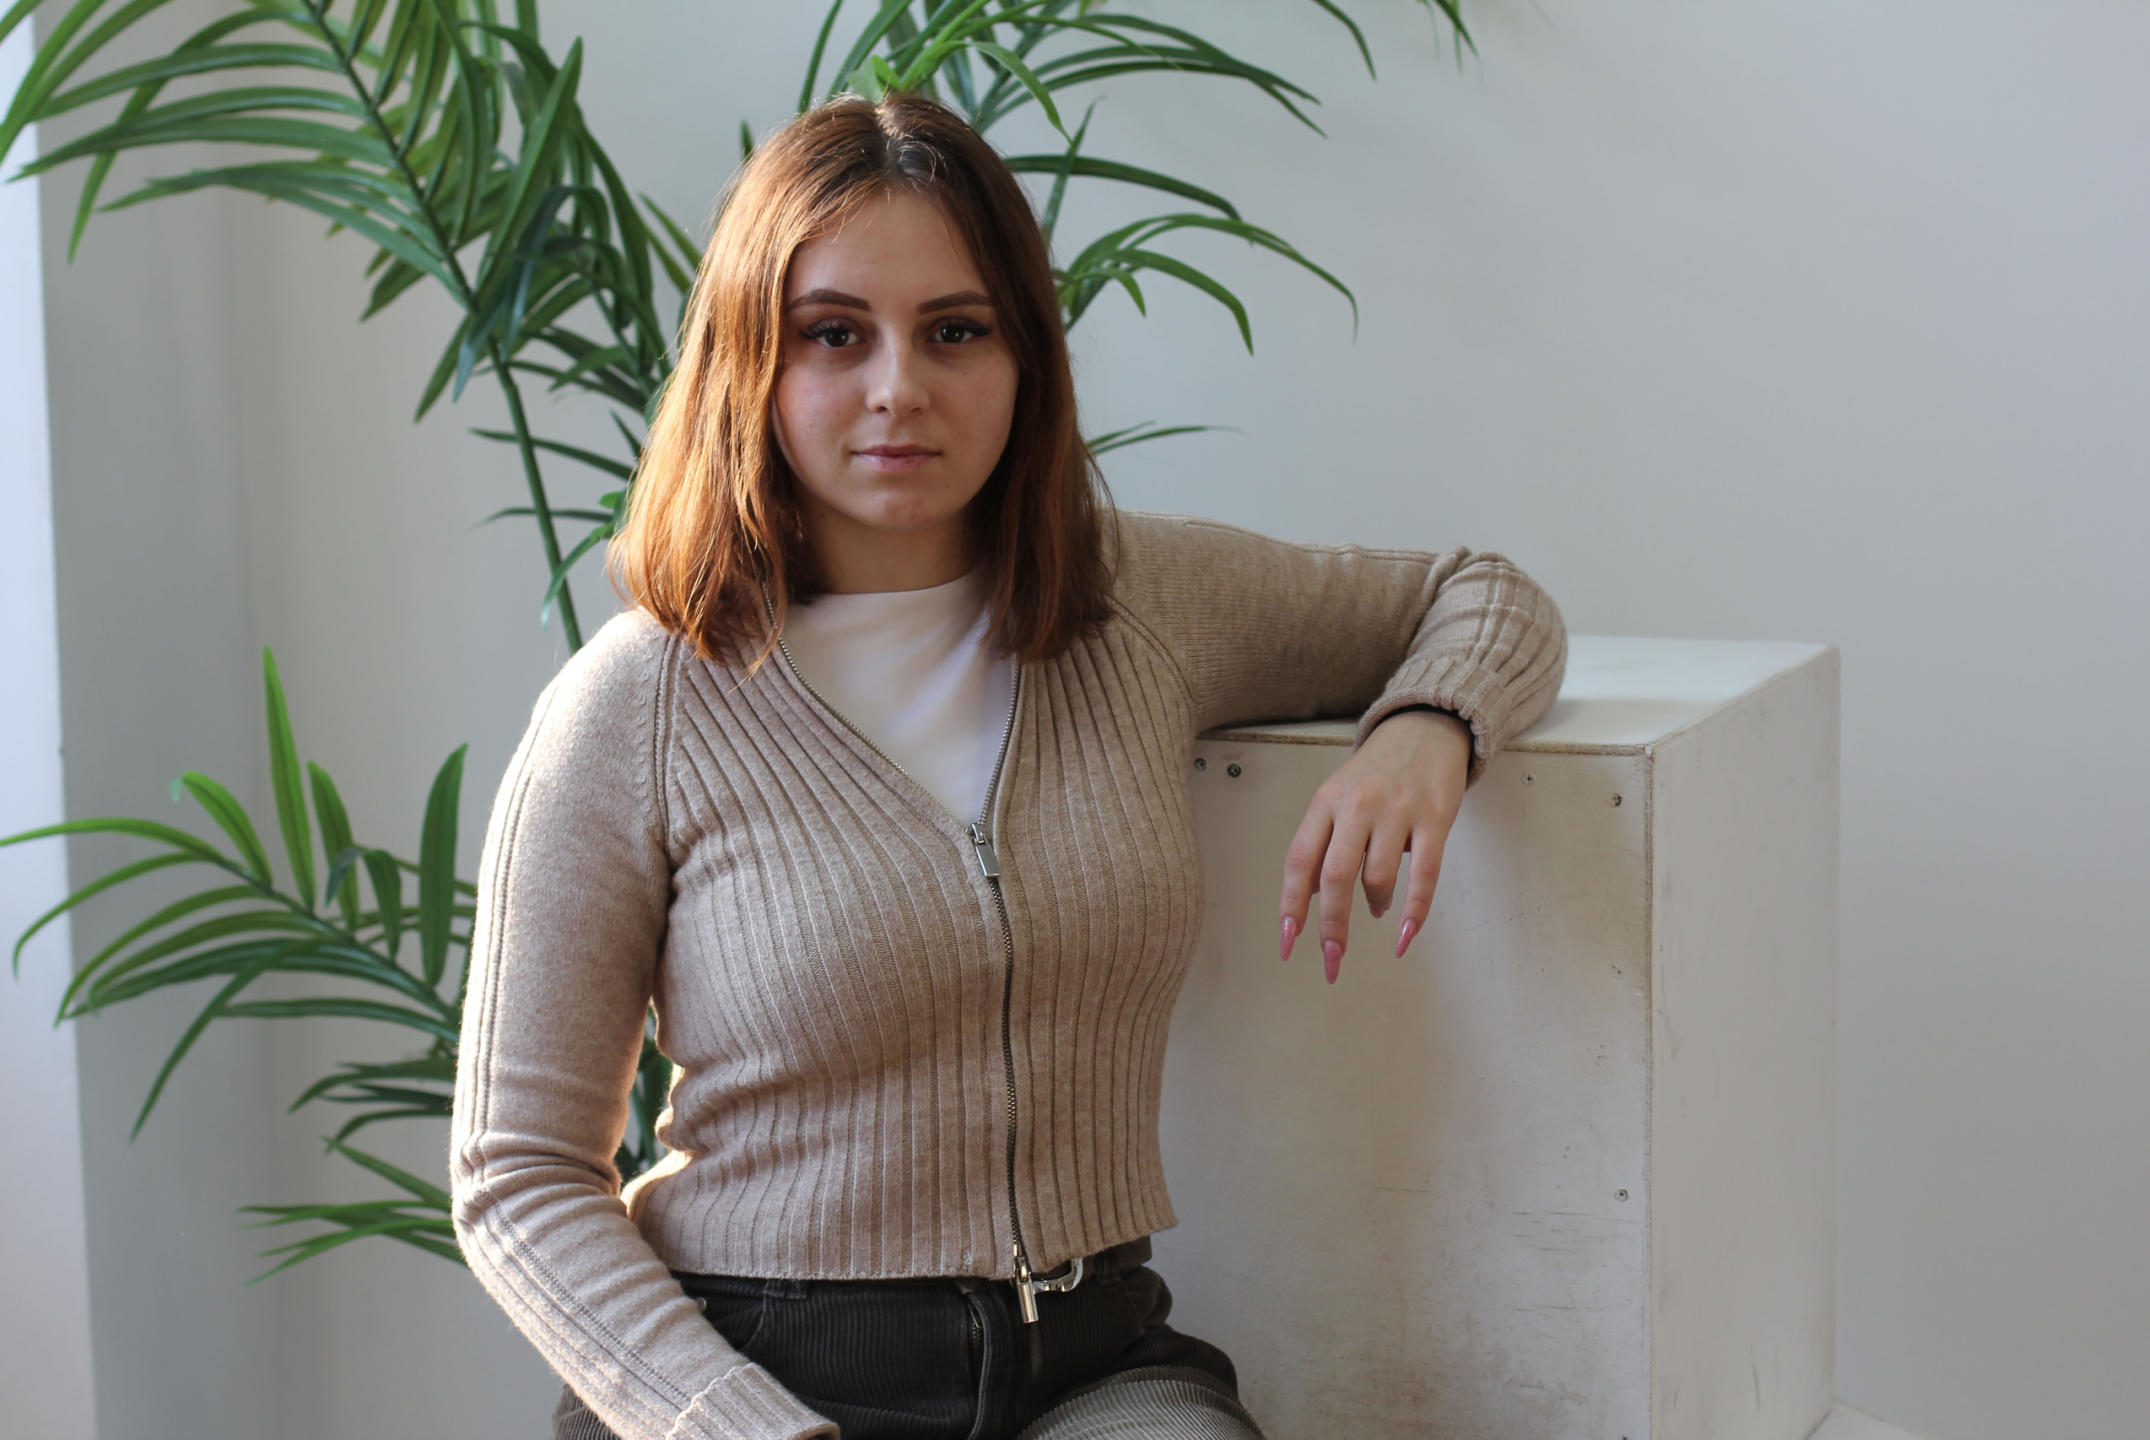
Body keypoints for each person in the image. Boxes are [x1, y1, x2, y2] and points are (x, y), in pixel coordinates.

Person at [447, 89, 1567, 1440]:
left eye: (956, 330)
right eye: (834, 334)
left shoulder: (1141, 605)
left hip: (1090, 1364)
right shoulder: (636, 706)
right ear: (752, 360)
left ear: (1026, 357)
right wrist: (735, 1426)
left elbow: (1479, 593)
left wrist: (1424, 734)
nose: (898, 388)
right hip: (755, 1376)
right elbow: (516, 1176)